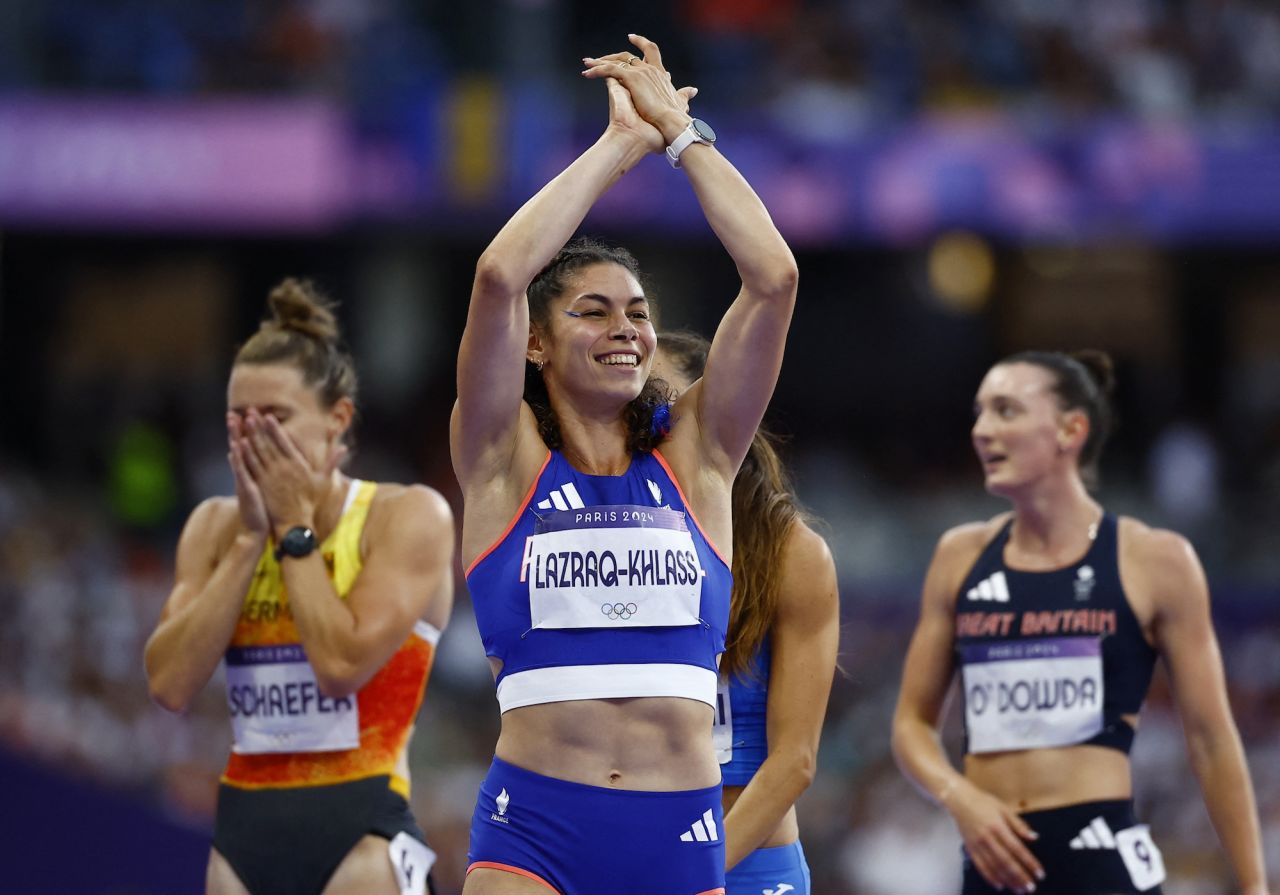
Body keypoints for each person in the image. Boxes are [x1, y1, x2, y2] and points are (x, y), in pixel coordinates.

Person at [453, 33, 798, 895]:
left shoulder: (701, 454)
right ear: (536, 342)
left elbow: (774, 276)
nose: (626, 330)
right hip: (530, 830)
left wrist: (681, 135)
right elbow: (500, 274)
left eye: (638, 313)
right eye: (592, 311)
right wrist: (617, 148)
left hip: (675, 833)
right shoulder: (502, 459)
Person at [891, 350, 1270, 895]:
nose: (981, 431)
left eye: (1005, 410)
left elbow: (1212, 739)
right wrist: (960, 798)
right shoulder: (959, 557)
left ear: (1071, 429)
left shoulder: (1156, 561)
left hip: (1101, 858)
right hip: (992, 863)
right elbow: (911, 725)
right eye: (978, 413)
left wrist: (1255, 885)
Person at [144, 279, 454, 895]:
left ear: (337, 421)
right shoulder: (213, 527)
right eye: (239, 418)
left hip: (362, 830)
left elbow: (341, 665)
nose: (253, 436)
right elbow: (170, 684)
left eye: (276, 418)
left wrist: (292, 530)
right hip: (242, 832)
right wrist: (246, 543)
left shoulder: (406, 517)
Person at [654, 330, 839, 895]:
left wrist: (697, 877)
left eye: (662, 403)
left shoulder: (790, 553)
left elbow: (795, 761)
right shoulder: (606, 534)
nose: (645, 420)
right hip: (630, 854)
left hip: (747, 860)